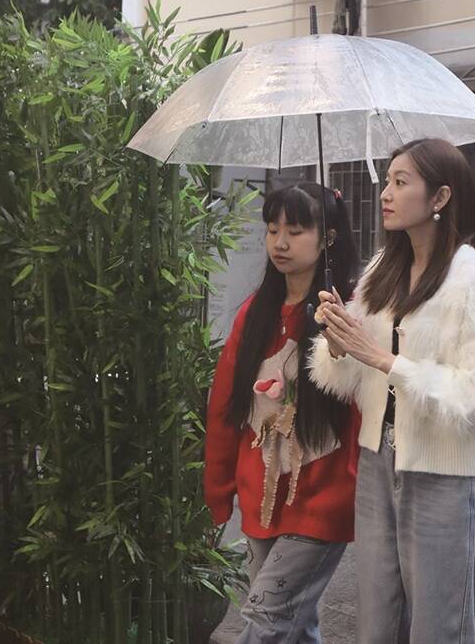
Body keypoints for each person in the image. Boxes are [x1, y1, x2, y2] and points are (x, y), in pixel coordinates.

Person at [310, 138, 475, 644]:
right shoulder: (383, 269)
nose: (386, 193)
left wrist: (388, 360)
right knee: (375, 625)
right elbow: (349, 374)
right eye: (387, 181)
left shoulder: (473, 276)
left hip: (445, 476)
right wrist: (338, 342)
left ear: (440, 197)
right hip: (378, 465)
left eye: (401, 182)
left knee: (438, 629)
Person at [204, 182, 361, 643]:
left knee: (265, 621)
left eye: (295, 230)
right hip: (262, 495)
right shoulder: (254, 314)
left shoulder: (349, 312)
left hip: (322, 497)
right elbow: (225, 408)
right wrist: (219, 492)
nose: (280, 242)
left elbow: (363, 408)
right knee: (293, 626)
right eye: (273, 229)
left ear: (328, 236)